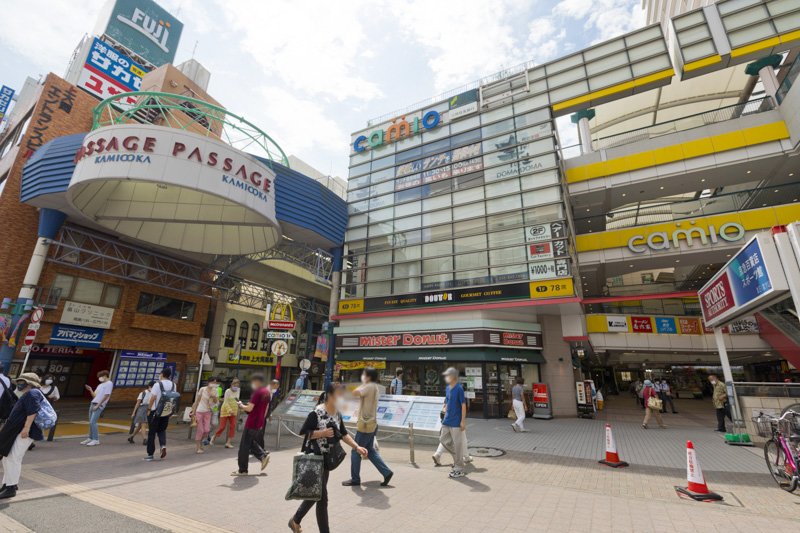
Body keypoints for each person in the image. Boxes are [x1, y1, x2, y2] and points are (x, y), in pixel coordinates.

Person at [288, 382, 368, 533]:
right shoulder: (316, 412)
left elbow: (343, 434)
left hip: (327, 460)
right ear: (330, 396)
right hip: (315, 459)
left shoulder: (336, 413)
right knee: (322, 499)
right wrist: (321, 433)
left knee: (317, 494)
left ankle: (295, 520)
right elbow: (305, 432)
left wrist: (357, 447)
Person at [342, 366, 393, 487]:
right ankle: (386, 472)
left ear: (368, 376)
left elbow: (355, 393)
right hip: (372, 423)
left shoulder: (368, 386)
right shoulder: (374, 386)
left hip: (365, 425)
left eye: (364, 374)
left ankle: (355, 479)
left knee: (356, 450)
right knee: (369, 450)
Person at [0, 373, 45, 500]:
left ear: (30, 383)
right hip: (19, 430)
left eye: (22, 381)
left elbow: (33, 411)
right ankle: (7, 485)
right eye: (19, 381)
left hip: (25, 432)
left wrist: (26, 428)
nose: (19, 384)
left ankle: (11, 487)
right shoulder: (29, 393)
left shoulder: (33, 393)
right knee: (8, 457)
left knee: (14, 458)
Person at [232, 373, 271, 475]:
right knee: (250, 443)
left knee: (244, 446)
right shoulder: (267, 392)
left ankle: (243, 470)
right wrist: (262, 419)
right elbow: (266, 408)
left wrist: (241, 405)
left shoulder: (257, 393)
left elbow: (249, 408)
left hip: (252, 421)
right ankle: (263, 456)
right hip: (259, 421)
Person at [439, 367, 468, 478]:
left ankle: (459, 468)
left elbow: (463, 405)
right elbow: (447, 400)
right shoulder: (447, 388)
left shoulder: (459, 388)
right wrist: (445, 406)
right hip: (447, 420)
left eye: (448, 375)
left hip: (456, 422)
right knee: (443, 440)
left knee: (458, 445)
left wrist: (462, 421)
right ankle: (458, 459)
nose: (446, 377)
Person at [145, 367, 176, 461]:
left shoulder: (157, 384)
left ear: (162, 374)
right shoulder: (173, 385)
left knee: (152, 433)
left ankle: (150, 454)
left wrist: (149, 409)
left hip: (155, 411)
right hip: (166, 411)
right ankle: (163, 446)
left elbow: (153, 397)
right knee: (162, 430)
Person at [82, 370, 113, 446]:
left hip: (99, 405)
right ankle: (90, 438)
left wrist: (98, 405)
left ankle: (96, 439)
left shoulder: (109, 383)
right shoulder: (100, 385)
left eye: (100, 377)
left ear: (105, 376)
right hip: (93, 403)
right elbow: (95, 395)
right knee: (91, 422)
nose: (99, 378)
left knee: (93, 422)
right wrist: (90, 390)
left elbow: (106, 396)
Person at [191, 376, 220, 454]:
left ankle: (201, 443)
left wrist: (213, 396)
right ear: (209, 382)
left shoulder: (215, 391)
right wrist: (193, 411)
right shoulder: (202, 389)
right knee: (200, 430)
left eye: (216, 382)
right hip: (199, 411)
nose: (214, 384)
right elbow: (197, 400)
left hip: (208, 412)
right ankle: (198, 447)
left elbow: (216, 402)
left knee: (206, 430)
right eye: (213, 382)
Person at [212, 378, 240, 448]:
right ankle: (214, 437)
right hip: (225, 411)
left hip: (234, 411)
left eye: (237, 385)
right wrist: (229, 410)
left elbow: (237, 399)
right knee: (222, 427)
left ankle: (228, 442)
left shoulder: (238, 390)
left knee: (233, 426)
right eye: (234, 385)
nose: (236, 386)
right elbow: (226, 401)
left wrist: (240, 404)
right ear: (231, 384)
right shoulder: (228, 391)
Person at [40, 374, 61, 442]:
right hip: (38, 406)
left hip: (48, 407)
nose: (50, 380)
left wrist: (53, 397)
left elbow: (57, 397)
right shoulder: (40, 387)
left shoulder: (54, 388)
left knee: (43, 421)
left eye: (51, 379)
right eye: (48, 378)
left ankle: (41, 435)